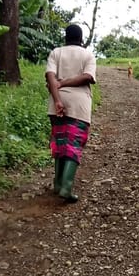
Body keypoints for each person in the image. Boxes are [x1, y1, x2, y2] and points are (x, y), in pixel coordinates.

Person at [45, 24, 96, 202]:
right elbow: (88, 76)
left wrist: (58, 98)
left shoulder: (55, 52)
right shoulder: (88, 54)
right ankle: (66, 188)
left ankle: (57, 184)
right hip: (79, 105)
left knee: (60, 142)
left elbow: (50, 77)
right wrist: (67, 83)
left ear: (65, 37)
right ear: (81, 39)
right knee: (74, 144)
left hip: (55, 102)